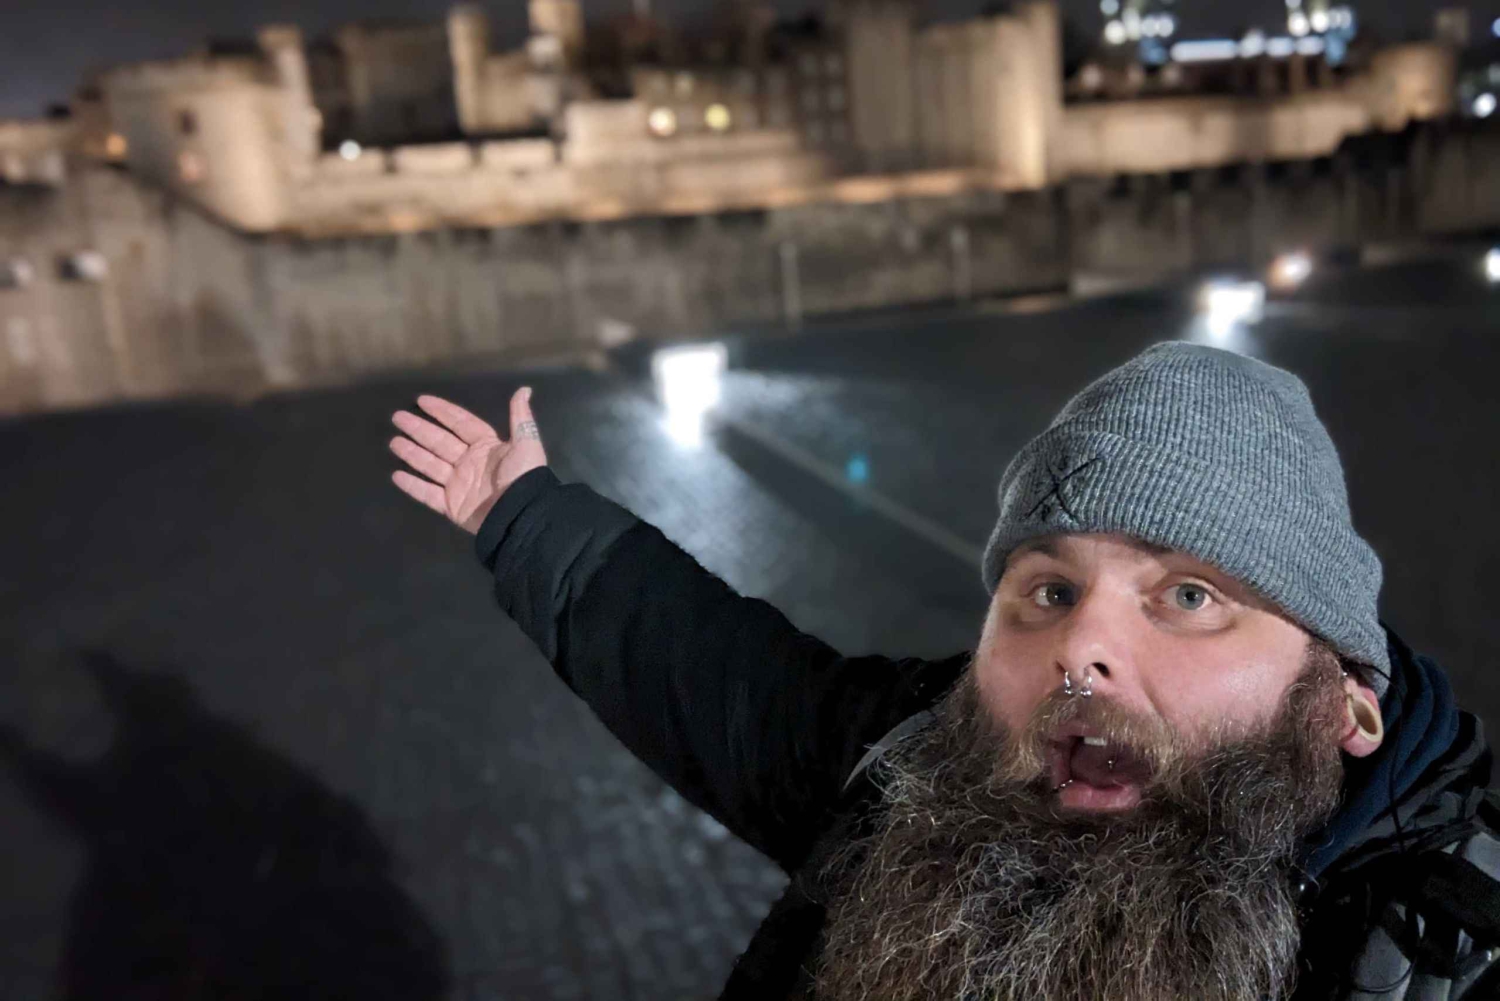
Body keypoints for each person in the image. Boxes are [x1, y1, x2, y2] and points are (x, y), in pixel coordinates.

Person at [388, 342, 1500, 1000]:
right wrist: (523, 515)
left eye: (1191, 595)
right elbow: (709, 666)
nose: (1080, 648)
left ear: (1348, 702)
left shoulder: (1450, 953)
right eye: (1049, 591)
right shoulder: (907, 768)